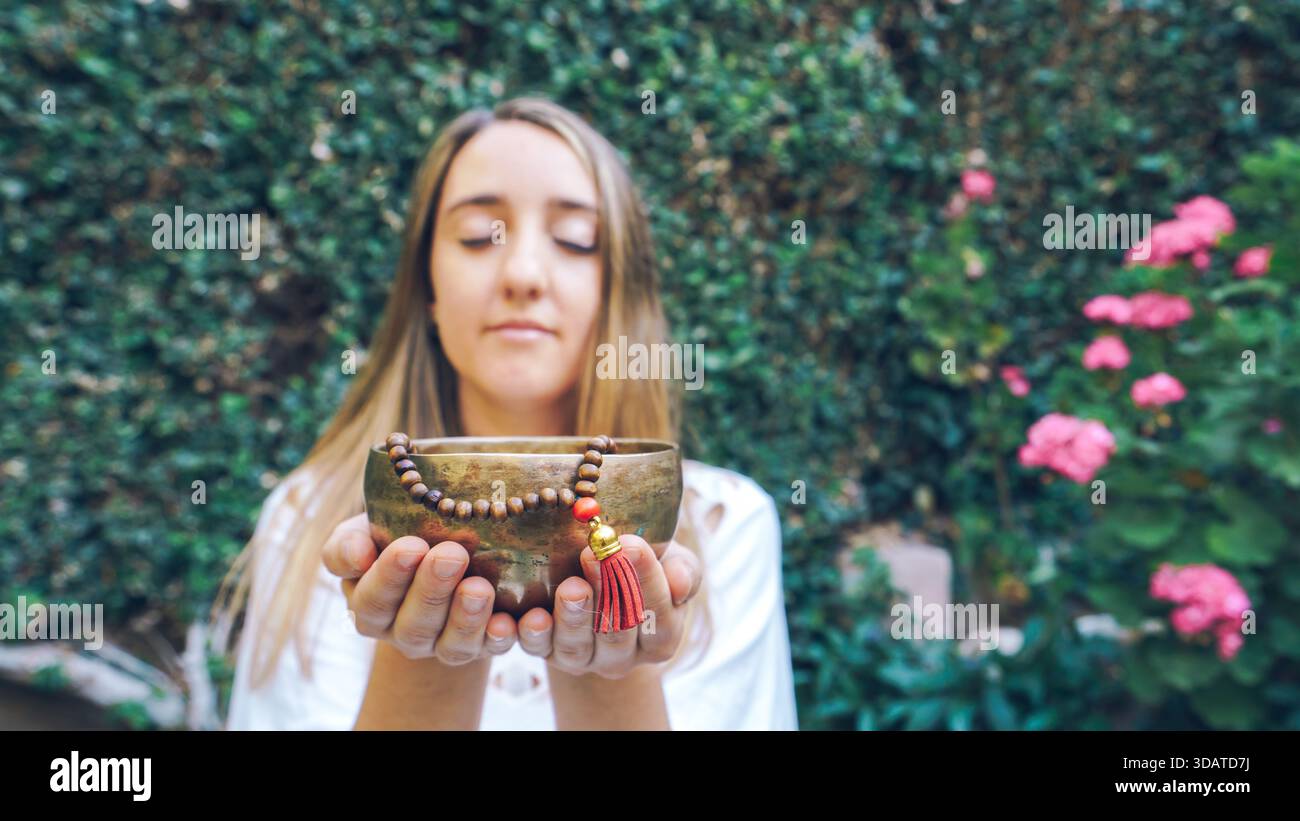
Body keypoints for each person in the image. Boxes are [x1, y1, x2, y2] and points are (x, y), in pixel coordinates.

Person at [216, 97, 798, 730]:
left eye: (577, 241)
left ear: (619, 291)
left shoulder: (723, 526)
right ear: (428, 288)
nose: (523, 273)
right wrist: (424, 651)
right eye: (477, 236)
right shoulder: (306, 526)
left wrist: (611, 674)